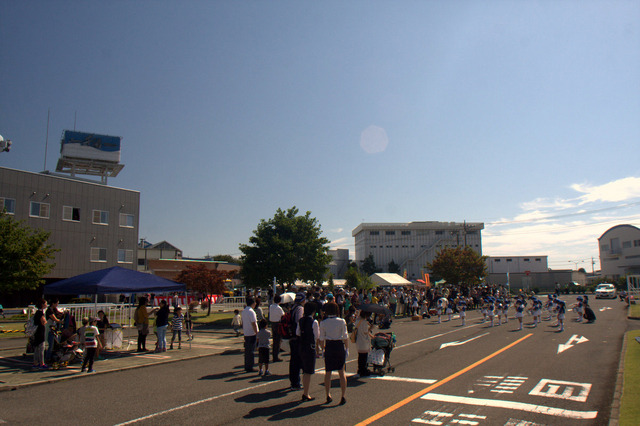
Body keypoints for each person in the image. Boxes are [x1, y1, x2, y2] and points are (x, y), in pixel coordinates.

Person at [319, 302, 348, 405]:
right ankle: (343, 396)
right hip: (339, 345)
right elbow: (345, 337)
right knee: (341, 371)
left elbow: (321, 338)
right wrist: (347, 348)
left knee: (328, 372)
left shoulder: (323, 323)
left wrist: (323, 349)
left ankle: (328, 395)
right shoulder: (341, 321)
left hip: (329, 346)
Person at [298, 302, 319, 402]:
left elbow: (297, 333)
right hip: (310, 347)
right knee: (308, 371)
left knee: (305, 370)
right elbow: (317, 336)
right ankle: (306, 393)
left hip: (302, 346)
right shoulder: (314, 322)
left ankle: (305, 392)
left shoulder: (301, 320)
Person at [288, 292, 306, 390]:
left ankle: (294, 381)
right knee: (297, 360)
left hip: (292, 336)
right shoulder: (300, 309)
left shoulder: (293, 307)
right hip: (297, 337)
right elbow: (299, 321)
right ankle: (296, 383)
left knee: (293, 360)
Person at [241, 297, 258, 372]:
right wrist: (257, 332)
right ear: (253, 303)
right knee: (251, 351)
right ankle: (250, 366)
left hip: (246, 332)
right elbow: (254, 323)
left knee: (247, 350)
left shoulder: (244, 311)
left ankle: (247, 365)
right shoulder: (251, 311)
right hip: (251, 333)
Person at [354, 310, 374, 377]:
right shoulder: (364, 322)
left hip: (358, 341)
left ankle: (360, 369)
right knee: (364, 357)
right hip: (364, 341)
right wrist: (370, 328)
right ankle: (363, 370)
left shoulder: (357, 321)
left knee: (360, 356)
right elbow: (366, 332)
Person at [32, 298, 48, 370]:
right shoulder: (40, 313)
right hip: (40, 332)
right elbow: (43, 322)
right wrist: (45, 320)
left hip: (36, 332)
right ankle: (42, 363)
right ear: (42, 304)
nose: (46, 305)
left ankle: (35, 362)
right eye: (45, 303)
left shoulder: (37, 313)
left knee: (36, 348)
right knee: (41, 348)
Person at [268, 294, 284, 362]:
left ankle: (274, 355)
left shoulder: (271, 306)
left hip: (272, 323)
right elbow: (282, 315)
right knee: (278, 340)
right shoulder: (279, 308)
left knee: (275, 340)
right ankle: (276, 356)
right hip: (278, 323)